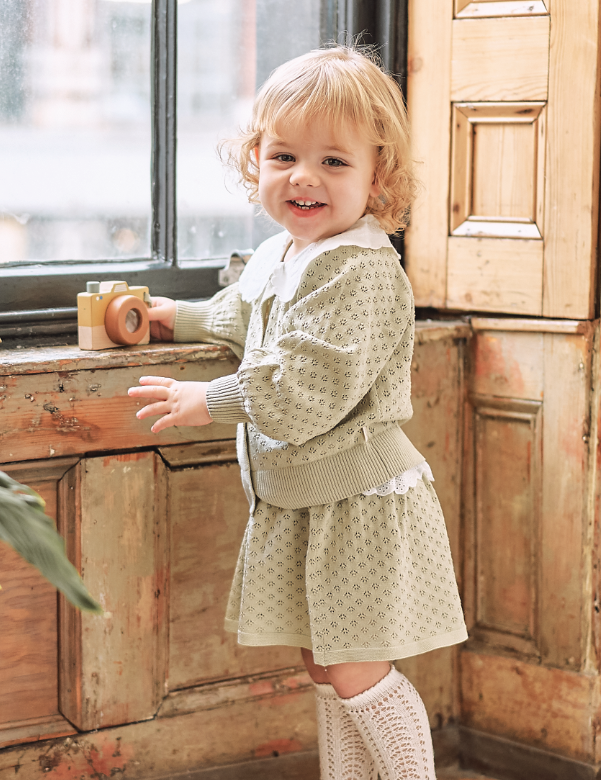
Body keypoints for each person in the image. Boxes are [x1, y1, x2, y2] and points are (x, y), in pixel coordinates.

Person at [126, 46, 467, 779]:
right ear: (256, 160)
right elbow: (246, 314)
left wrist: (209, 400)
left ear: (379, 176)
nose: (303, 177)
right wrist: (177, 318)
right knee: (326, 664)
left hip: (357, 504)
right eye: (284, 156)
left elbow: (304, 387)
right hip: (307, 501)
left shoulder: (360, 270)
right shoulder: (288, 254)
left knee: (356, 669)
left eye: (333, 162)